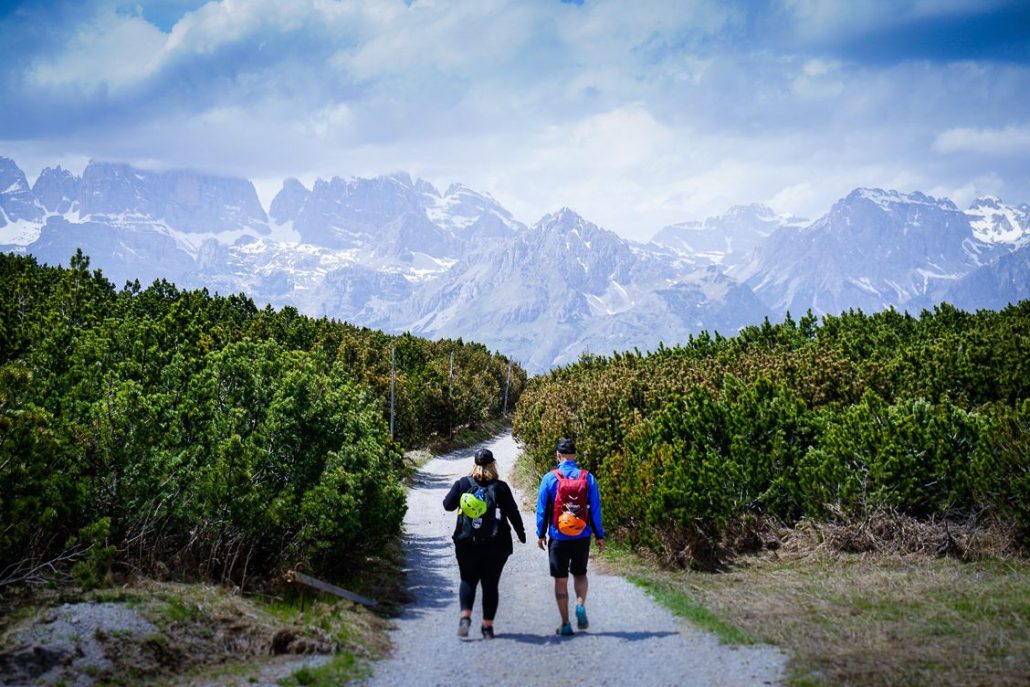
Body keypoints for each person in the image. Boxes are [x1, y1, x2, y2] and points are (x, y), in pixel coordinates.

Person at [443, 447, 526, 639]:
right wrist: (521, 533)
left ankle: (465, 618)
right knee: (490, 584)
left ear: (474, 464)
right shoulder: (501, 487)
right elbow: (513, 512)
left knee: (467, 580)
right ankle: (487, 627)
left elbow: (447, 506)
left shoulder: (463, 484)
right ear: (493, 465)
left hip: (466, 543)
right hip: (496, 544)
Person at [536, 437, 605, 636]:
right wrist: (599, 535)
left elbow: (542, 509)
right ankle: (580, 604)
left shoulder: (550, 478)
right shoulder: (588, 477)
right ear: (575, 456)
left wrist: (540, 534)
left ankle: (566, 623)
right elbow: (595, 509)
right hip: (582, 535)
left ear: (558, 455)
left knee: (560, 580)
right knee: (580, 573)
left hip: (559, 536)